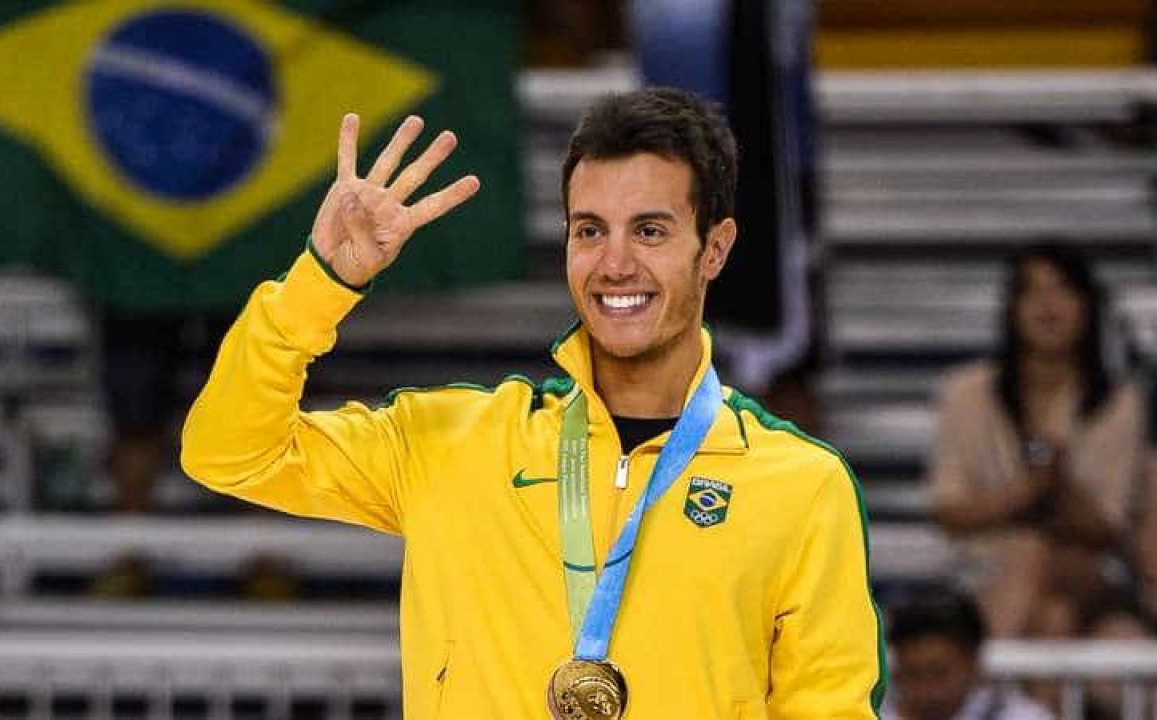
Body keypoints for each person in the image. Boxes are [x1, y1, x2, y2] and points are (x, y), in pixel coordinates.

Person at [181, 88, 884, 718]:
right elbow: (230, 452)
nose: (614, 265)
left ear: (714, 249)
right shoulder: (450, 442)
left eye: (650, 230)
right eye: (589, 230)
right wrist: (322, 283)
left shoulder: (800, 487)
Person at [928, 243, 1149, 641]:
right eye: (1032, 291)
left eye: (1062, 290)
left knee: (1032, 553)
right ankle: (1022, 701)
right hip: (983, 571)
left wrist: (1058, 485)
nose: (1048, 305)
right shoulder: (965, 392)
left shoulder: (1118, 402)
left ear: (1087, 306)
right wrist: (1026, 492)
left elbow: (1107, 530)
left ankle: (984, 692)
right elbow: (949, 512)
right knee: (1053, 617)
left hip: (1091, 572)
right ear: (1011, 308)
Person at [883, 586, 1052, 720]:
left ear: (973, 664)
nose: (928, 691)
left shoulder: (1022, 717)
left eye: (939, 674)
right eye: (913, 675)